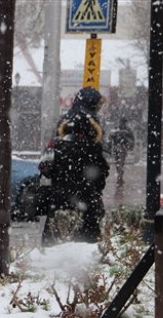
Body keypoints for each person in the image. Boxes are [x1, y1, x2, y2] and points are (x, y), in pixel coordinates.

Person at [42, 87, 110, 244]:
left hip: (60, 195)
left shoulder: (64, 122)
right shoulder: (94, 125)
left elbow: (47, 166)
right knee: (86, 242)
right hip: (88, 196)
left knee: (56, 240)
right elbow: (100, 168)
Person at [108, 117, 135, 188]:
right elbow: (132, 139)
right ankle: (119, 177)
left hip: (119, 147)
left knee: (118, 163)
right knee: (120, 163)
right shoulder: (125, 130)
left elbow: (111, 138)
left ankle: (119, 177)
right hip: (121, 148)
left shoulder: (121, 129)